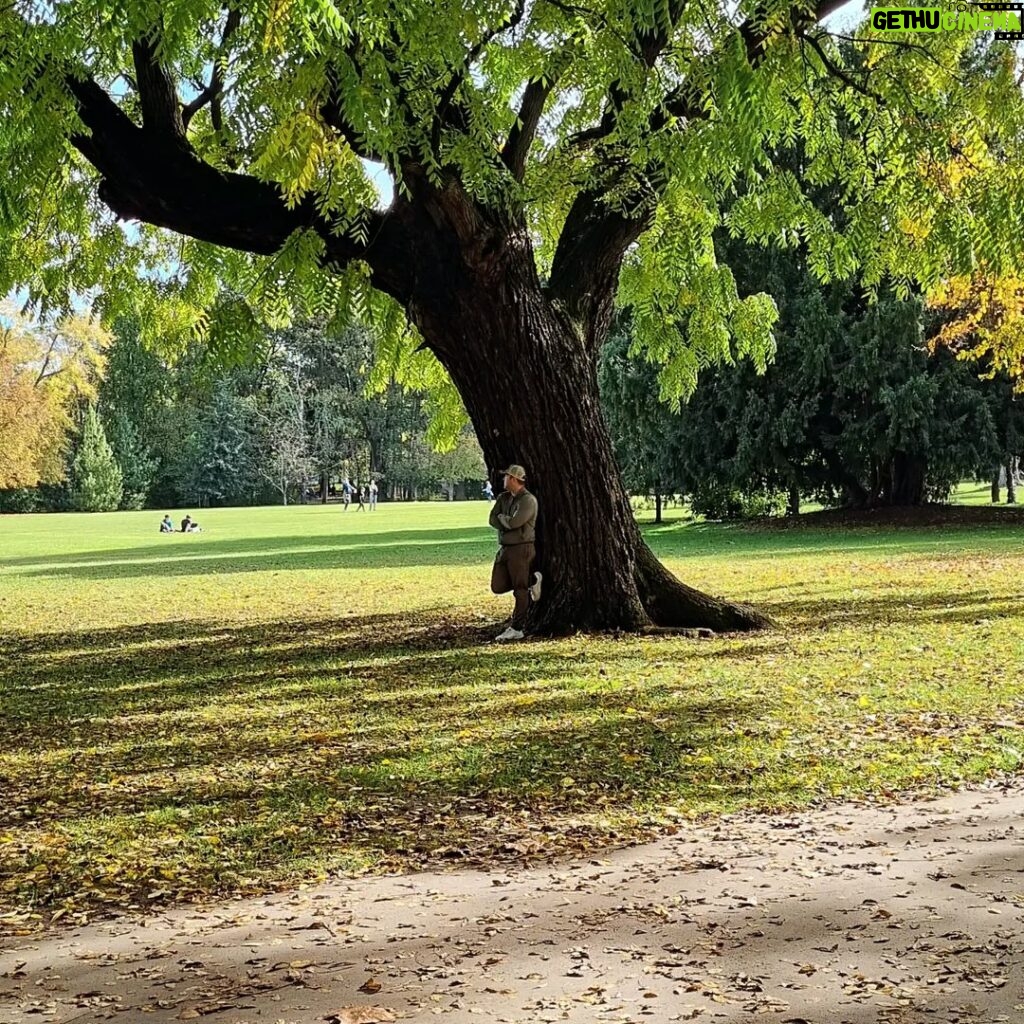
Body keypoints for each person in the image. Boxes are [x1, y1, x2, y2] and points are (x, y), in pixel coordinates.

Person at [488, 464, 542, 641]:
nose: (503, 480)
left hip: (521, 548)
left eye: (506, 477)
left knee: (519, 590)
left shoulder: (528, 500)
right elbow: (492, 518)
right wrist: (505, 520)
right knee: (498, 585)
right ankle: (531, 580)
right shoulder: (503, 498)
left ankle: (517, 628)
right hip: (505, 548)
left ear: (513, 479)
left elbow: (514, 523)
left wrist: (503, 519)